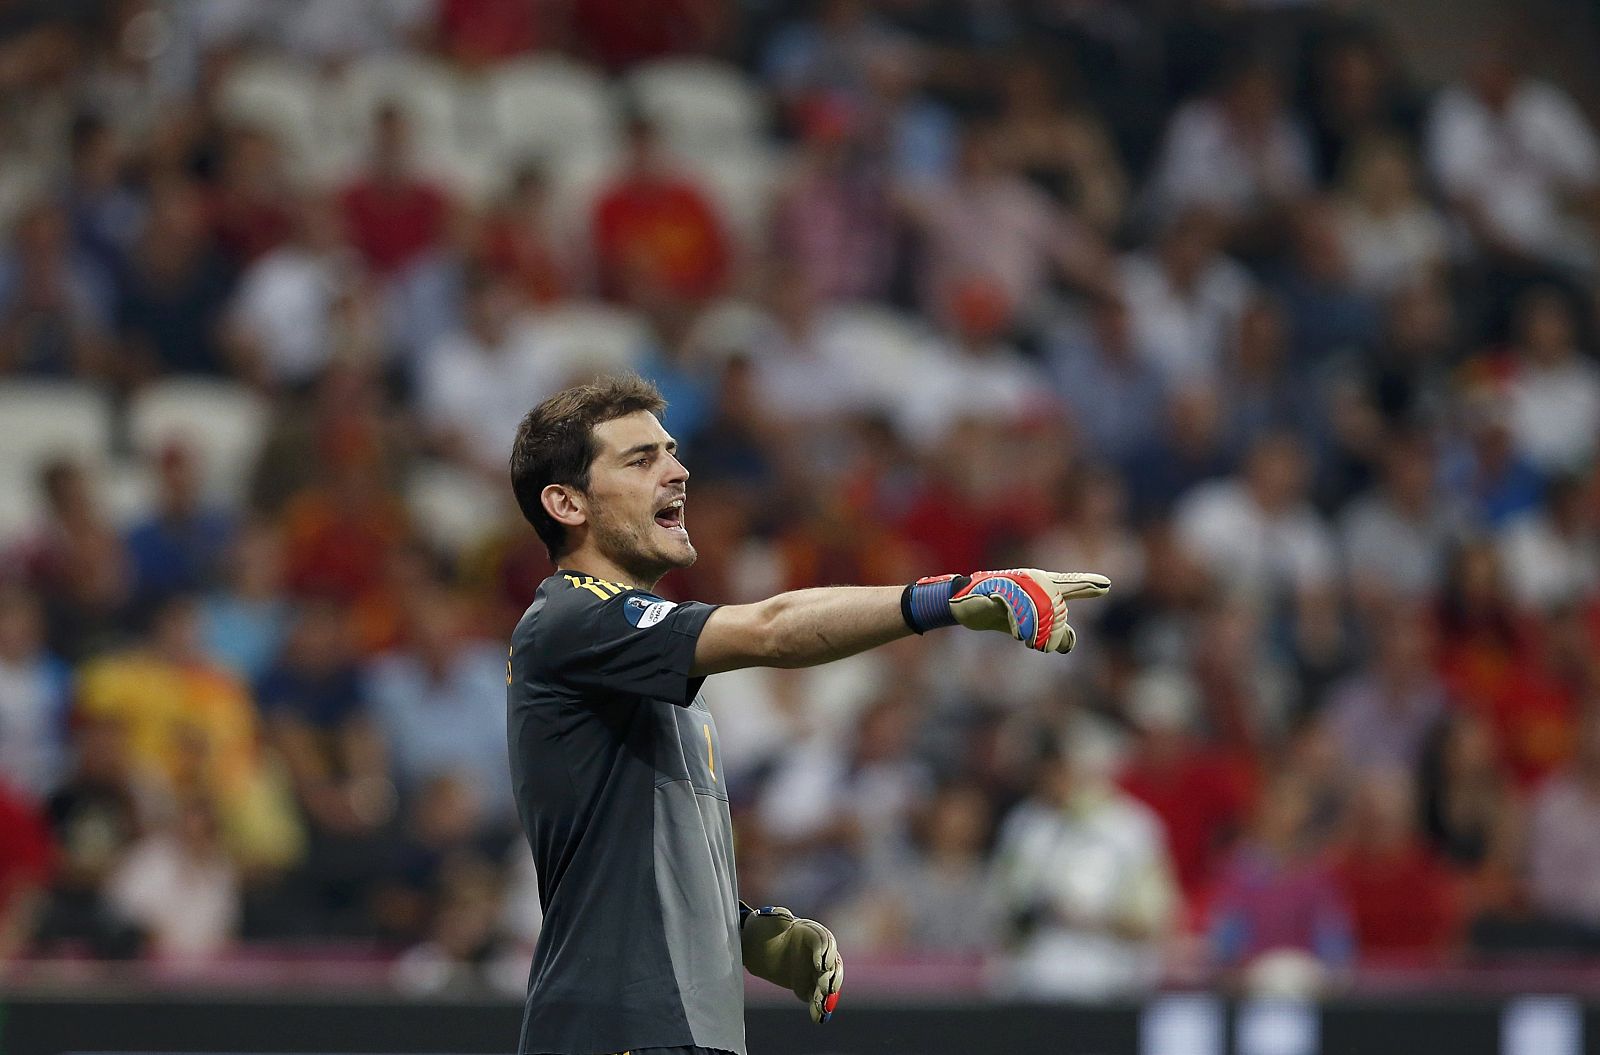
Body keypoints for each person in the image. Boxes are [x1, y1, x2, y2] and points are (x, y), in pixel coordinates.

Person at [505, 374, 1110, 1055]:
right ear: (565, 502)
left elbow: (617, 853)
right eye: (641, 459)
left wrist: (736, 930)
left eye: (671, 451)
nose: (678, 471)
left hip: (675, 1030)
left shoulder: (636, 661)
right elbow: (772, 628)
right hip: (613, 1030)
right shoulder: (570, 618)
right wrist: (948, 597)